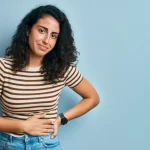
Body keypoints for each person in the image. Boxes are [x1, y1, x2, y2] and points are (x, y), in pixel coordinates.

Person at [0, 4, 100, 150]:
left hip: (46, 144)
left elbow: (93, 98)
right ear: (28, 30)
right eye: (42, 31)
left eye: (53, 36)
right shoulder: (3, 68)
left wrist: (61, 119)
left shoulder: (62, 70)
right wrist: (23, 126)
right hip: (9, 144)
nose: (47, 41)